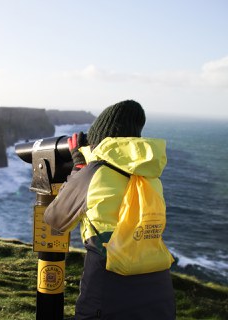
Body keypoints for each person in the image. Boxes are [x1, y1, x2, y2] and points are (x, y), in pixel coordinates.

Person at [44, 100, 176, 319]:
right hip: (159, 290)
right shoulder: (150, 177)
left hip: (108, 288)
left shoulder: (93, 172)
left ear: (99, 141)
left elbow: (55, 219)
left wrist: (79, 168)